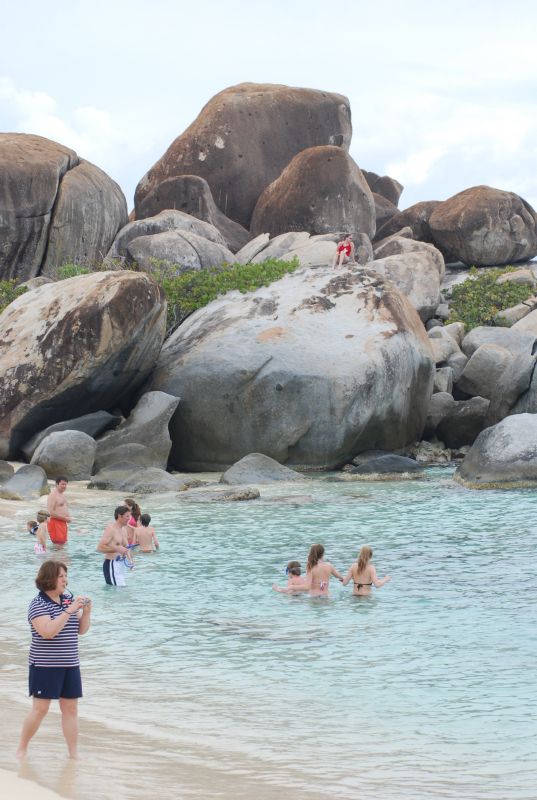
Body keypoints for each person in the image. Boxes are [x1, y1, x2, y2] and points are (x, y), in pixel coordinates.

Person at [16, 560, 91, 759]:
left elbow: (81, 631)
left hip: (70, 664)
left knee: (71, 709)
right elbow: (47, 632)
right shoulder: (37, 604)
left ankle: (73, 754)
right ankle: (22, 747)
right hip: (45, 665)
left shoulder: (68, 600)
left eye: (66, 576)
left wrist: (86, 611)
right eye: (61, 576)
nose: (65, 580)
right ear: (49, 578)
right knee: (40, 709)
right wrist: (70, 610)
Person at [96, 506, 131, 586]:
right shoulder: (111, 529)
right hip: (111, 564)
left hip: (121, 565)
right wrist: (117, 549)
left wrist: (130, 561)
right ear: (119, 516)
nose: (129, 518)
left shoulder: (124, 529)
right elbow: (99, 548)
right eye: (127, 516)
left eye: (129, 516)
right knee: (118, 591)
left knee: (121, 593)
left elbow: (126, 547)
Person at [47, 476, 71, 545]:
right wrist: (65, 518)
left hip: (62, 523)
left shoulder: (62, 495)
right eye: (62, 484)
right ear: (57, 484)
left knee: (62, 545)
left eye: (65, 484)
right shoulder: (53, 495)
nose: (64, 486)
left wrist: (68, 517)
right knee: (58, 545)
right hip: (55, 523)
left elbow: (64, 508)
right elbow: (50, 513)